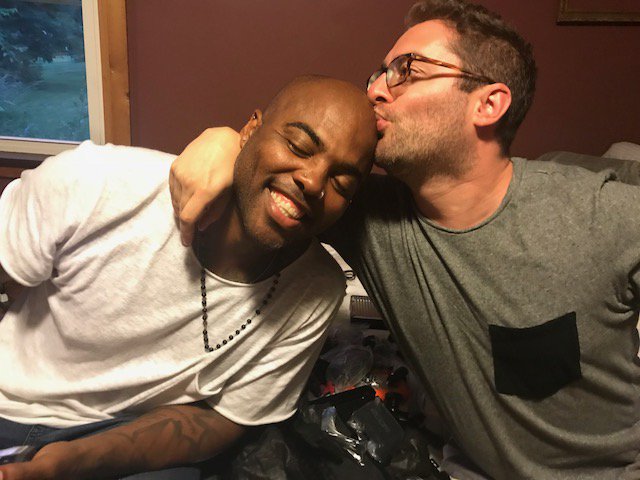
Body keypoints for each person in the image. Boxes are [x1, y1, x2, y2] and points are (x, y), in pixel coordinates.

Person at [167, 1, 640, 479]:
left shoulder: (597, 214)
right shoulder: (361, 210)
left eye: (405, 70)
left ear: (488, 104)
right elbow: (271, 170)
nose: (374, 90)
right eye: (379, 73)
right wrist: (225, 141)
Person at [0, 75, 377, 480]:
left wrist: (72, 461)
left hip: (116, 437)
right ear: (249, 131)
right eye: (299, 146)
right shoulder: (96, 181)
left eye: (341, 182)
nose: (313, 181)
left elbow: (223, 418)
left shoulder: (317, 290)